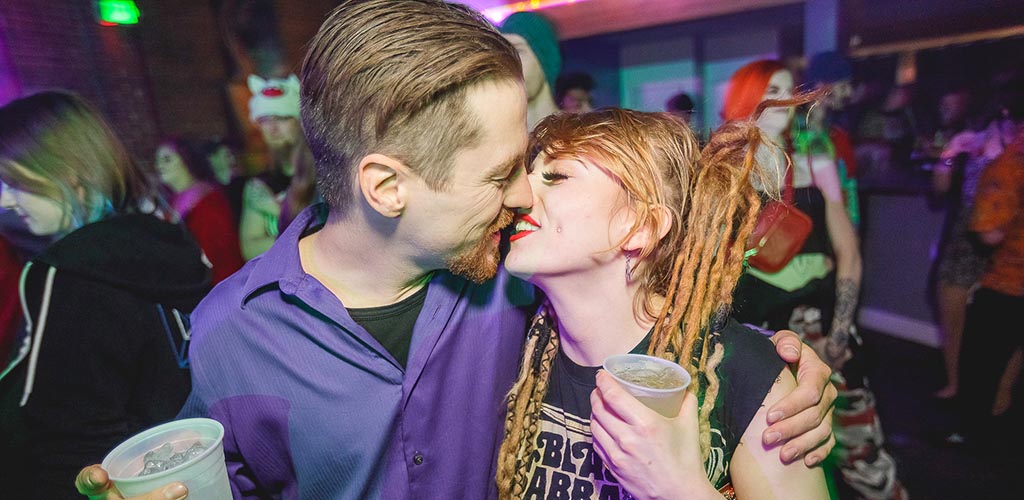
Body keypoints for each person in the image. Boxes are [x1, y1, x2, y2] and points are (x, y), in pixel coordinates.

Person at [76, 2, 836, 499]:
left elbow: (650, 315)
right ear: (388, 186)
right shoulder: (230, 335)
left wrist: (775, 374)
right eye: (503, 174)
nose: (521, 198)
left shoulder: (511, 287)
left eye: (537, 169)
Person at [497, 109, 829, 499]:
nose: (518, 194)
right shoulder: (504, 343)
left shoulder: (745, 374)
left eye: (556, 177)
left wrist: (679, 488)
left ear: (641, 228)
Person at [0, 91, 211, 499]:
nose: (5, 200)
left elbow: (57, 438)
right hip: (178, 473)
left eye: (16, 181)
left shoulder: (68, 272)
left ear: (70, 172)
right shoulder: (169, 242)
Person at [725, 60, 907, 500]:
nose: (785, 100)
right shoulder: (726, 171)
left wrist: (839, 334)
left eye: (790, 89)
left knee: (857, 443)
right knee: (775, 447)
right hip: (756, 330)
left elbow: (847, 253)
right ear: (748, 94)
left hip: (819, 322)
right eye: (773, 88)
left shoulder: (812, 159)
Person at [951, 100, 1024, 450]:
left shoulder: (1009, 165)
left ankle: (969, 433)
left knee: (981, 363)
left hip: (1009, 283)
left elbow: (990, 233)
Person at [240, 74, 316, 259]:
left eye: (281, 118)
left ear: (300, 120)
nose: (272, 128)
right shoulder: (260, 185)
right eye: (265, 119)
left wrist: (276, 210)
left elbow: (336, 236)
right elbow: (250, 250)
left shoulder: (324, 171)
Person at [154, 138, 244, 284]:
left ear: (186, 159)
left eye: (167, 159)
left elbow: (221, 253)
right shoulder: (170, 203)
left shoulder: (208, 200)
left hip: (220, 285)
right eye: (157, 161)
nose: (159, 166)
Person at [501, 11, 562, 129]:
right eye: (502, 53)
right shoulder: (499, 141)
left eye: (518, 51)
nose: (507, 62)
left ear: (545, 58)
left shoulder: (577, 136)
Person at [198, 137, 247, 228]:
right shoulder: (209, 192)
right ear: (212, 159)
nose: (233, 160)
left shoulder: (246, 184)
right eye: (227, 155)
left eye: (233, 154)